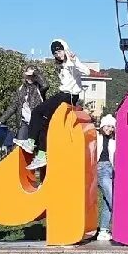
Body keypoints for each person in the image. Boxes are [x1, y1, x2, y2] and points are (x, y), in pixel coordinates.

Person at [14, 39, 87, 170]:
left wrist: (75, 60)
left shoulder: (71, 63)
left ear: (65, 49)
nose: (58, 55)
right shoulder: (63, 65)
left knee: (37, 111)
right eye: (55, 53)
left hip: (68, 95)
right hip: (65, 95)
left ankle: (30, 142)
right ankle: (42, 155)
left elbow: (86, 71)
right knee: (45, 123)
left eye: (59, 51)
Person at [0, 66, 47, 142]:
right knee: (20, 145)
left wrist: (36, 73)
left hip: (36, 122)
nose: (29, 78)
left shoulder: (39, 88)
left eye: (32, 76)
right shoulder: (21, 88)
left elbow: (46, 85)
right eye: (28, 76)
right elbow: (13, 106)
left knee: (35, 146)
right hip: (24, 122)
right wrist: (1, 120)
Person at [96, 114, 116, 242]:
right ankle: (123, 225)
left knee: (106, 201)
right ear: (102, 126)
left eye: (112, 127)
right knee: (112, 198)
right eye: (108, 126)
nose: (110, 129)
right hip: (100, 169)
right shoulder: (96, 137)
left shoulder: (114, 139)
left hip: (111, 170)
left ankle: (103, 230)